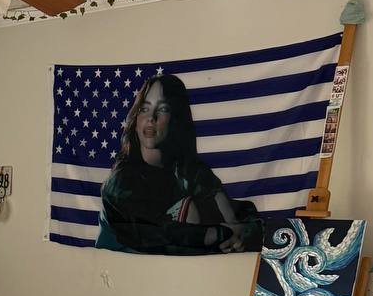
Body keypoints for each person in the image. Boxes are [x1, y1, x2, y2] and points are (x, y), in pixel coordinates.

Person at [95, 73, 262, 256]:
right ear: (135, 120)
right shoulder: (120, 181)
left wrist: (241, 232)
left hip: (179, 268)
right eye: (144, 109)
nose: (151, 118)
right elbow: (151, 235)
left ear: (176, 119)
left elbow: (237, 214)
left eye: (163, 109)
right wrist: (217, 234)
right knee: (187, 209)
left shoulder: (188, 170)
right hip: (121, 267)